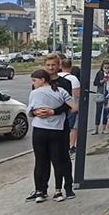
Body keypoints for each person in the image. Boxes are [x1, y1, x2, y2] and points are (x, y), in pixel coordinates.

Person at [26, 69, 76, 203]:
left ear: (42, 80)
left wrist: (37, 113)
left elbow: (30, 112)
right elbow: (74, 107)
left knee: (40, 161)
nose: (33, 83)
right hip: (57, 129)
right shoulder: (61, 91)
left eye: (34, 80)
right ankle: (58, 191)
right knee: (57, 161)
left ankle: (40, 191)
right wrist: (56, 111)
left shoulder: (35, 93)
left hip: (40, 129)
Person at [43, 54, 76, 199]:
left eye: (53, 65)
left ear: (59, 66)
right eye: (48, 65)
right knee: (43, 158)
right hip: (44, 125)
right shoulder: (41, 81)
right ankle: (41, 189)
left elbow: (68, 104)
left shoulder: (65, 83)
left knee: (64, 157)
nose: (51, 68)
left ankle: (68, 186)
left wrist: (54, 111)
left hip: (61, 124)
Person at [59, 59, 82, 153]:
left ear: (61, 66)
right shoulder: (73, 79)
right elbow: (77, 94)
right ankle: (71, 145)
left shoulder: (57, 76)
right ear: (71, 67)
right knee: (72, 127)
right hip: (71, 106)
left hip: (59, 106)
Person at [91, 60, 109, 135]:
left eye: (108, 67)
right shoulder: (99, 73)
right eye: (105, 67)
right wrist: (102, 81)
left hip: (108, 94)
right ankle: (96, 128)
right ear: (102, 67)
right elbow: (95, 83)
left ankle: (104, 128)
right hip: (100, 93)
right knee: (98, 111)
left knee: (106, 111)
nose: (106, 69)